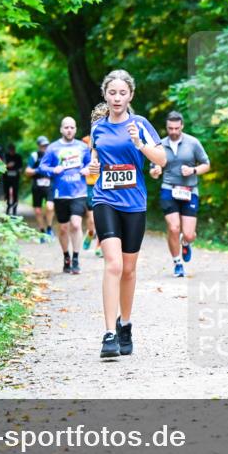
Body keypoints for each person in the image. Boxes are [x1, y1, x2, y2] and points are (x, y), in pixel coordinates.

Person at [87, 70, 166, 359]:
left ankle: (126, 325)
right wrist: (92, 169)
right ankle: (109, 334)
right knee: (113, 265)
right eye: (112, 93)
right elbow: (94, 161)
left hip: (134, 203)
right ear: (105, 95)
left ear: (130, 95)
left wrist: (140, 144)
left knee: (129, 270)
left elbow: (162, 159)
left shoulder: (141, 124)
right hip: (105, 199)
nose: (117, 98)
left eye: (122, 93)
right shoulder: (98, 128)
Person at [149, 111, 211, 277]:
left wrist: (193, 170)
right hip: (169, 188)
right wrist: (155, 172)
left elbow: (207, 164)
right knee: (174, 227)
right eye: (170, 128)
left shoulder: (193, 143)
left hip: (190, 190)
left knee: (189, 234)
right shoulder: (159, 145)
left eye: (177, 128)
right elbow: (153, 170)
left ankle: (185, 242)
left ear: (182, 126)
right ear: (166, 127)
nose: (174, 131)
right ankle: (177, 263)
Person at [37, 117, 92, 275]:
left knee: (76, 224)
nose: (69, 130)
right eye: (66, 127)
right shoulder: (53, 148)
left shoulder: (82, 147)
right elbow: (42, 166)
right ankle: (66, 257)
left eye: (72, 127)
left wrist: (88, 169)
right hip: (60, 193)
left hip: (78, 192)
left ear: (75, 130)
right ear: (61, 129)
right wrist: (52, 170)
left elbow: (90, 163)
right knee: (63, 228)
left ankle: (76, 258)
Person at [82, 102, 109, 257]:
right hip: (90, 185)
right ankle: (90, 232)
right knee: (92, 220)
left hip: (107, 183)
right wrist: (84, 168)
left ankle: (100, 245)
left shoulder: (115, 139)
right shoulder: (85, 142)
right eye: (97, 119)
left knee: (103, 218)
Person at [25, 136, 54, 243]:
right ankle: (42, 232)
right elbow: (27, 171)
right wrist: (38, 170)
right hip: (37, 186)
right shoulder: (34, 155)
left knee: (50, 207)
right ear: (39, 146)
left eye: (46, 145)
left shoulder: (52, 155)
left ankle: (50, 228)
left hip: (49, 185)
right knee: (37, 211)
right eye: (42, 145)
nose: (44, 147)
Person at [3, 143, 24, 217]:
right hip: (6, 178)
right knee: (7, 193)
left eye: (13, 150)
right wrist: (8, 166)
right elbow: (2, 166)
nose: (12, 151)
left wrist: (20, 170)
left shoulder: (18, 157)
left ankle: (14, 211)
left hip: (15, 178)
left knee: (15, 193)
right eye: (11, 150)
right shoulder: (5, 156)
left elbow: (21, 167)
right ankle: (8, 209)